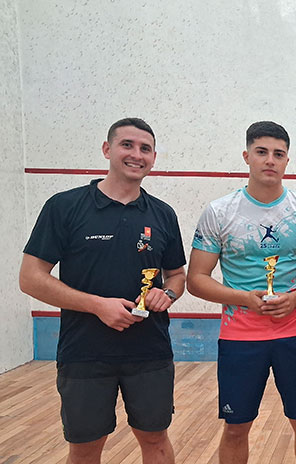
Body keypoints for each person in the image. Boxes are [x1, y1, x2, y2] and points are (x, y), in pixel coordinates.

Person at [19, 118, 186, 464]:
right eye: (127, 145)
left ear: (154, 157)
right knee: (85, 449)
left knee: (155, 440)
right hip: (84, 353)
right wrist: (97, 305)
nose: (136, 154)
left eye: (145, 149)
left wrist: (167, 294)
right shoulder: (64, 207)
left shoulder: (163, 214)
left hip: (150, 352)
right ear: (107, 150)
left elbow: (177, 276)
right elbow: (31, 278)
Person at [187, 121, 296, 464]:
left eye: (278, 154)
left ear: (287, 161)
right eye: (262, 152)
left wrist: (295, 298)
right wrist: (245, 299)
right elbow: (196, 279)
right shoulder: (219, 212)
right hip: (240, 336)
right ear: (247, 156)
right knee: (236, 427)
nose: (270, 161)